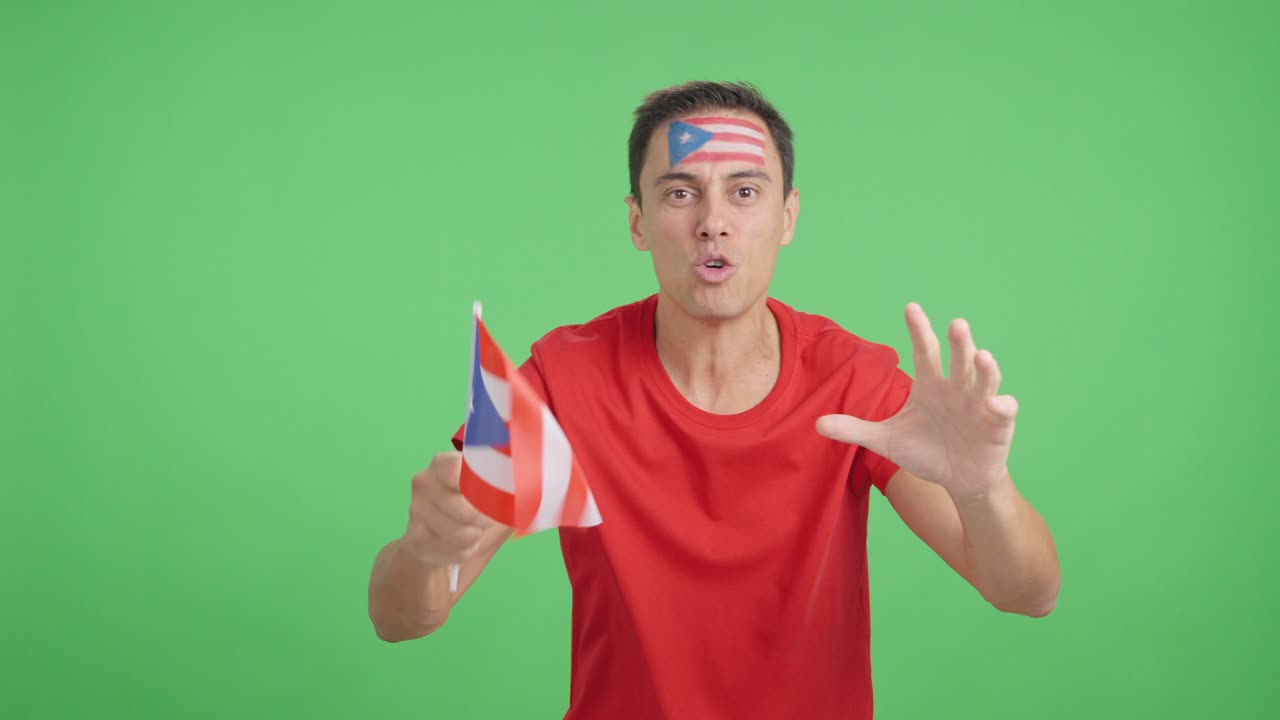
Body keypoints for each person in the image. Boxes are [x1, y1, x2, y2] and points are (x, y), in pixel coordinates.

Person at [368, 81, 1060, 719]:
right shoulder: (562, 379)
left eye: (746, 192)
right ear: (637, 222)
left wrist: (983, 491)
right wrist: (427, 552)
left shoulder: (854, 382)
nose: (712, 223)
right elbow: (400, 618)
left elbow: (1028, 594)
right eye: (679, 193)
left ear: (788, 216)